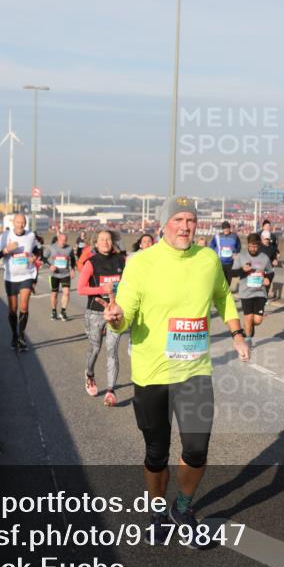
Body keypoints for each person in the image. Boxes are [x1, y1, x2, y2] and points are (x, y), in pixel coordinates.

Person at [104, 197, 249, 544]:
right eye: (178, 219)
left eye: (191, 220)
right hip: (152, 374)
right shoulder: (142, 263)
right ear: (163, 224)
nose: (185, 226)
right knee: (156, 453)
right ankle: (157, 512)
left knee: (197, 449)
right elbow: (125, 315)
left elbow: (223, 296)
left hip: (195, 372)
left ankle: (182, 508)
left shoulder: (208, 259)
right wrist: (116, 318)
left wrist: (237, 333)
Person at [77, 230, 126, 407]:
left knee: (112, 350)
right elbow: (81, 289)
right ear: (96, 243)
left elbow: (128, 283)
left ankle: (111, 391)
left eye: (108, 239)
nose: (105, 242)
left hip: (115, 312)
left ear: (113, 242)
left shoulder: (121, 260)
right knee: (95, 348)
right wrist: (102, 289)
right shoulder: (91, 263)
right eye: (102, 239)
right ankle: (90, 374)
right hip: (95, 312)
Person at [0, 213, 39, 351]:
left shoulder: (31, 236)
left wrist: (34, 257)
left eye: (23, 222)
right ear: (13, 223)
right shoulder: (5, 236)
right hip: (11, 277)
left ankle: (21, 337)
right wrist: (7, 250)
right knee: (13, 309)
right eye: (18, 222)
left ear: (25, 224)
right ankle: (14, 335)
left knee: (24, 307)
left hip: (27, 275)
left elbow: (37, 250)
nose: (20, 225)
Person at [234, 233, 274, 347]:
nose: (253, 249)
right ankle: (248, 340)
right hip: (246, 293)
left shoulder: (264, 258)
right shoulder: (241, 256)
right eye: (251, 246)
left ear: (259, 245)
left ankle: (249, 327)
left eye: (255, 246)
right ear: (247, 244)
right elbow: (233, 272)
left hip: (260, 292)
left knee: (257, 320)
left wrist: (268, 278)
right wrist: (243, 270)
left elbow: (271, 272)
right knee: (248, 317)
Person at [45, 232, 75, 321]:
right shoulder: (51, 247)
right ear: (58, 239)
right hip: (54, 274)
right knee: (54, 294)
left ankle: (63, 311)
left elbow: (73, 259)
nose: (63, 242)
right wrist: (50, 266)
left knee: (66, 292)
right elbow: (44, 258)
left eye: (65, 241)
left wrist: (72, 269)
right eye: (61, 240)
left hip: (65, 274)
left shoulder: (69, 248)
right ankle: (54, 311)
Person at [208, 221, 241, 286]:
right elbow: (211, 245)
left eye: (227, 228)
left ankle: (227, 291)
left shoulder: (234, 236)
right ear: (222, 229)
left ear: (229, 228)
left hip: (230, 262)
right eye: (224, 228)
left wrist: (235, 252)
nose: (226, 230)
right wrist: (215, 253)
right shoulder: (217, 236)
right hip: (220, 262)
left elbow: (239, 246)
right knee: (221, 280)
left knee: (228, 281)